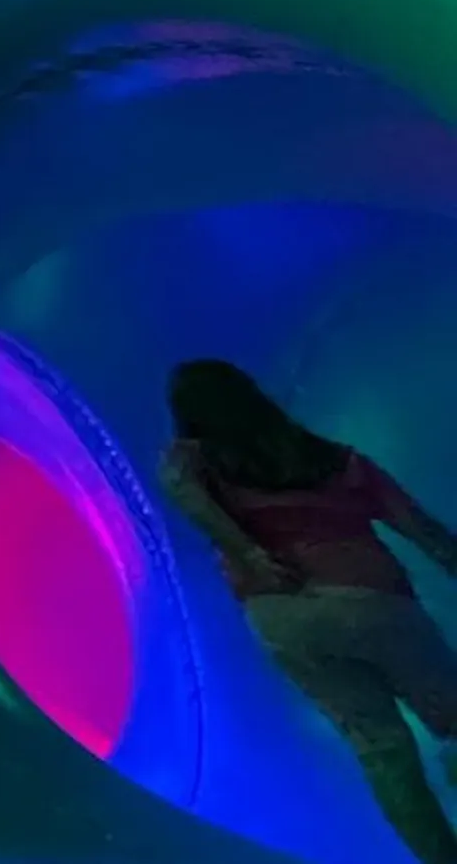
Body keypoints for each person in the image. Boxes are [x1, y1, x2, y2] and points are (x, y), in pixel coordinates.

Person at [159, 358, 457, 864]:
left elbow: (188, 499)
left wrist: (248, 554)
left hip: (282, 618)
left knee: (380, 750)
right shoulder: (339, 463)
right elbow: (424, 531)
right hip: (374, 602)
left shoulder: (196, 470)